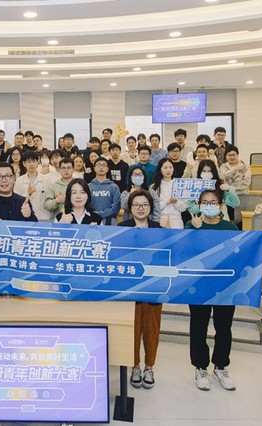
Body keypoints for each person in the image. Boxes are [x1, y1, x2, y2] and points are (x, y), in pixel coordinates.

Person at [185, 189, 238, 391]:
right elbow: (184, 251)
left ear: (221, 205)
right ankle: (200, 367)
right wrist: (192, 230)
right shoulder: (192, 225)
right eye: (205, 202)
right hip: (199, 285)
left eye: (213, 202)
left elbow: (242, 249)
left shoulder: (230, 227)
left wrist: (261, 238)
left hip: (225, 286)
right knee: (198, 326)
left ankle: (220, 366)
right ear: (199, 205)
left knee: (224, 327)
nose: (209, 205)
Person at [118, 189, 162, 390]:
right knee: (133, 329)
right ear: (130, 208)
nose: (141, 208)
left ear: (150, 207)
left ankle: (149, 367)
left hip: (154, 287)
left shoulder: (159, 229)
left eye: (145, 204)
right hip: (130, 288)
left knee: (152, 329)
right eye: (136, 205)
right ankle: (135, 366)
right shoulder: (122, 228)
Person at [14, 151, 52, 221]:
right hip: (24, 218)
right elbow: (16, 202)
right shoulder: (19, 181)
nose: (31, 164)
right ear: (24, 164)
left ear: (38, 163)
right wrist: (27, 193)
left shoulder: (46, 180)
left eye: (34, 161)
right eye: (28, 162)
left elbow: (49, 201)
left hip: (43, 218)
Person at [149, 158, 186, 229]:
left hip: (176, 221)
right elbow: (153, 207)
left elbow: (183, 208)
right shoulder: (154, 187)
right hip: (160, 220)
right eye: (165, 168)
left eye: (170, 167)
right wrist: (167, 202)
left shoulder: (180, 185)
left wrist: (176, 202)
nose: (168, 170)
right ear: (160, 169)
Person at [219, 145, 250, 220]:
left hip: (242, 195)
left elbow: (246, 182)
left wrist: (230, 187)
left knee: (241, 219)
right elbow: (222, 177)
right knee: (230, 217)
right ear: (226, 156)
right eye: (229, 155)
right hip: (228, 196)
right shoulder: (223, 166)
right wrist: (234, 169)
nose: (232, 157)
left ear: (238, 155)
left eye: (234, 155)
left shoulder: (245, 166)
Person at [89, 157, 121, 225]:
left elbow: (116, 207)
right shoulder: (88, 187)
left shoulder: (114, 187)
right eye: (98, 165)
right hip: (91, 220)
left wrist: (101, 214)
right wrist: (94, 215)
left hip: (110, 220)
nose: (101, 167)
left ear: (107, 169)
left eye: (104, 165)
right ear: (94, 168)